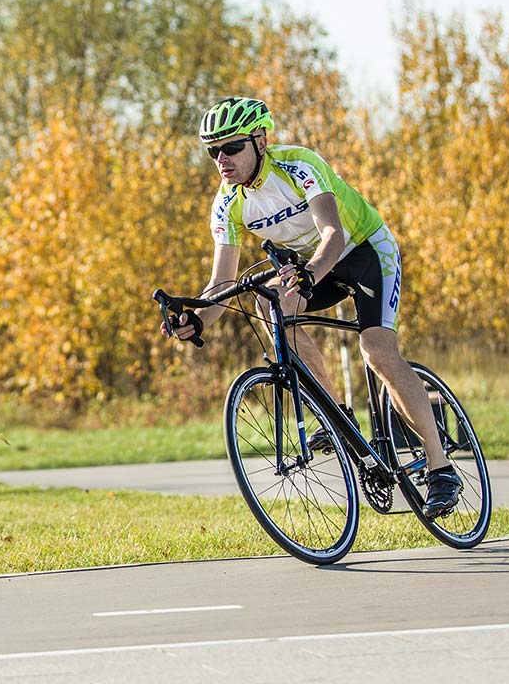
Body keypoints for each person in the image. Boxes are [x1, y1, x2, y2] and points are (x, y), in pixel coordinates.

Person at [164, 96, 461, 518]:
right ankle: (339, 416)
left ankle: (440, 467)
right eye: (213, 151)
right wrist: (195, 318)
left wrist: (308, 274)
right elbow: (223, 283)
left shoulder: (298, 165)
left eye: (231, 148)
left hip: (363, 252)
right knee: (273, 312)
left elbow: (333, 234)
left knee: (377, 353)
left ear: (260, 141)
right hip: (311, 264)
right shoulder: (227, 202)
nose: (221, 159)